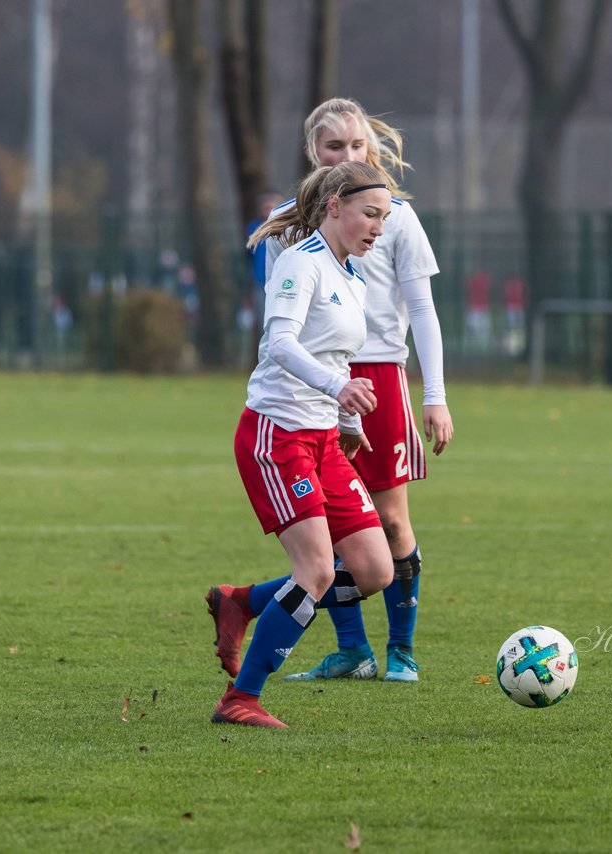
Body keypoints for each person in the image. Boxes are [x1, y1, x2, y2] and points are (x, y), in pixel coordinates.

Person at [209, 97, 454, 684]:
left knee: (387, 526)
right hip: (316, 387)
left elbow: (422, 306)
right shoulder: (293, 229)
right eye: (333, 147)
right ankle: (350, 650)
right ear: (314, 155)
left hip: (378, 378)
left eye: (356, 145)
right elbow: (283, 328)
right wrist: (313, 389)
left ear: (372, 148)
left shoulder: (394, 215)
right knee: (333, 537)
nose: (346, 154)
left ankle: (400, 651)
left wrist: (435, 392)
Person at [207, 159, 395, 729]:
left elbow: (330, 355)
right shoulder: (299, 263)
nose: (377, 228)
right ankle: (241, 699)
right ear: (335, 206)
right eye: (370, 214)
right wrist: (338, 386)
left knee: (374, 570)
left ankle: (243, 601)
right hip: (277, 434)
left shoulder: (352, 277)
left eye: (384, 218)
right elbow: (280, 342)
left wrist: (345, 419)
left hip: (323, 438)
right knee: (315, 571)